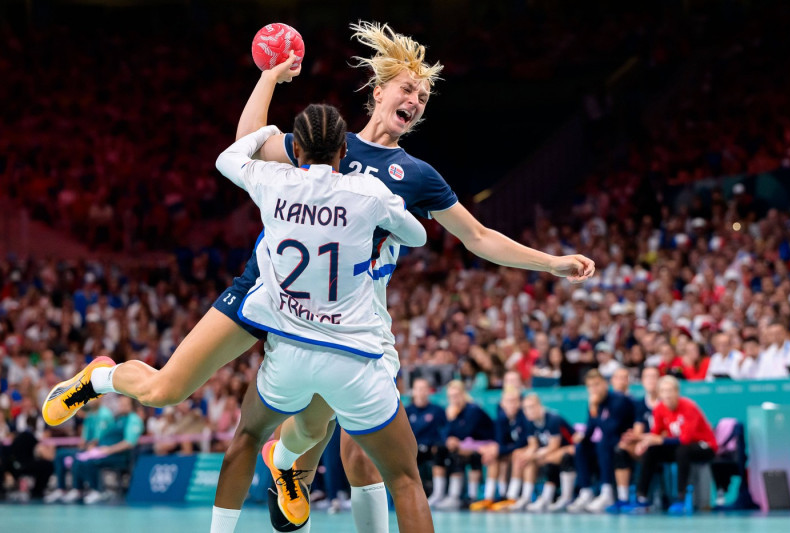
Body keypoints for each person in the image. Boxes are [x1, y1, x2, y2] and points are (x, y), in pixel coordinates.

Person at [46, 21, 595, 533]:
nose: (414, 101)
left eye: (423, 98)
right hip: (262, 294)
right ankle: (98, 378)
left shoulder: (416, 176)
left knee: (319, 427)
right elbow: (247, 144)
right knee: (167, 389)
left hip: (337, 318)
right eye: (407, 88)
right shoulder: (324, 141)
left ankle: (285, 470)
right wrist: (268, 77)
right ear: (377, 92)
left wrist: (550, 262)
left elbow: (478, 238)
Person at [212, 103, 432, 533]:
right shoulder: (367, 194)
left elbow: (228, 158)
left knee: (251, 437)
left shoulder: (274, 181)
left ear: (296, 149)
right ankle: (288, 467)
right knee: (404, 479)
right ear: (343, 148)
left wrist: (267, 133)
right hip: (352, 355)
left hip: (290, 352)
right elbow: (419, 235)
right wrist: (381, 214)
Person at [621, 376, 718, 515]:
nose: (667, 394)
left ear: (677, 392)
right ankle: (642, 497)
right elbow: (656, 433)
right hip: (680, 446)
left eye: (670, 390)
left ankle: (681, 497)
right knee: (652, 450)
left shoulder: (689, 407)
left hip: (704, 446)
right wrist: (644, 442)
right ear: (659, 393)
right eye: (663, 391)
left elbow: (686, 438)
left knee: (682, 450)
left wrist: (658, 440)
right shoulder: (659, 408)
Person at [566, 369, 635, 513]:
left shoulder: (619, 400)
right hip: (608, 442)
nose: (594, 389)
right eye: (590, 386)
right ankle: (586, 492)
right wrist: (581, 437)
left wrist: (594, 409)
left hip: (624, 442)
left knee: (604, 442)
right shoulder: (595, 403)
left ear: (605, 384)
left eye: (597, 384)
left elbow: (611, 428)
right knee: (582, 446)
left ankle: (607, 492)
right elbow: (591, 429)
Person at [61, 396, 143, 504]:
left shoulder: (134, 419)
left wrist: (108, 450)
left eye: (125, 404)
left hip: (120, 456)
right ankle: (79, 490)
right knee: (79, 459)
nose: (121, 406)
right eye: (121, 404)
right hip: (106, 452)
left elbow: (129, 443)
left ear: (131, 405)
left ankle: (98, 491)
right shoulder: (118, 418)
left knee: (90, 462)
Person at [428, 380, 494, 510]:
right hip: (466, 444)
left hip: (483, 444)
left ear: (463, 394)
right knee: (441, 449)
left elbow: (466, 432)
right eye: (451, 396)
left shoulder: (472, 409)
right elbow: (445, 434)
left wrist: (452, 421)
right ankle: (438, 493)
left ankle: (455, 496)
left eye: (457, 395)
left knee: (455, 451)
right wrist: (449, 438)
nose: (454, 399)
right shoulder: (452, 411)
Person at [506, 393, 575, 512]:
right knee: (522, 456)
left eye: (532, 407)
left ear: (539, 406)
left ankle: (561, 498)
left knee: (546, 458)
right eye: (526, 408)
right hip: (549, 452)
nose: (529, 411)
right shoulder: (530, 422)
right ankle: (524, 497)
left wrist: (533, 456)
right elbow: (533, 445)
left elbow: (554, 445)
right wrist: (527, 455)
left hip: (569, 448)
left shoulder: (553, 418)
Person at [44, 400, 114, 503]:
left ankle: (82, 489)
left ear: (100, 398)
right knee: (60, 455)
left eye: (94, 398)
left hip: (101, 449)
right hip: (87, 448)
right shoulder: (89, 415)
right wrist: (83, 446)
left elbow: (98, 439)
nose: (91, 400)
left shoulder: (105, 414)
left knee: (78, 458)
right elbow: (84, 438)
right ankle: (61, 489)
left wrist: (87, 447)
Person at [469, 386, 526, 511]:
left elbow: (522, 443)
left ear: (519, 403)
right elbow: (500, 442)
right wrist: (495, 451)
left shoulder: (524, 418)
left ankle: (512, 497)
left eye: (514, 400)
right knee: (493, 457)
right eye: (508, 401)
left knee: (517, 454)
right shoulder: (501, 419)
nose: (511, 404)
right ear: (502, 403)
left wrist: (499, 450)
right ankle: (489, 498)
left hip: (522, 451)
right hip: (508, 450)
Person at [615, 366, 660, 511]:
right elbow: (638, 430)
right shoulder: (640, 404)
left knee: (650, 450)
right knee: (620, 449)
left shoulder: (666, 401)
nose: (651, 380)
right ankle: (623, 497)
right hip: (645, 443)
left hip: (661, 445)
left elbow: (666, 432)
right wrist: (633, 437)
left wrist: (645, 439)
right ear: (642, 381)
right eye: (648, 377)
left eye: (654, 376)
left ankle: (643, 497)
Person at [405, 378, 447, 485]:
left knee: (441, 452)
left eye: (424, 389)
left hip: (432, 447)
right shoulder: (406, 411)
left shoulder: (437, 410)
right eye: (418, 389)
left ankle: (438, 492)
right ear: (413, 391)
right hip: (412, 449)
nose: (421, 392)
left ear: (428, 391)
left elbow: (446, 429)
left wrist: (439, 443)